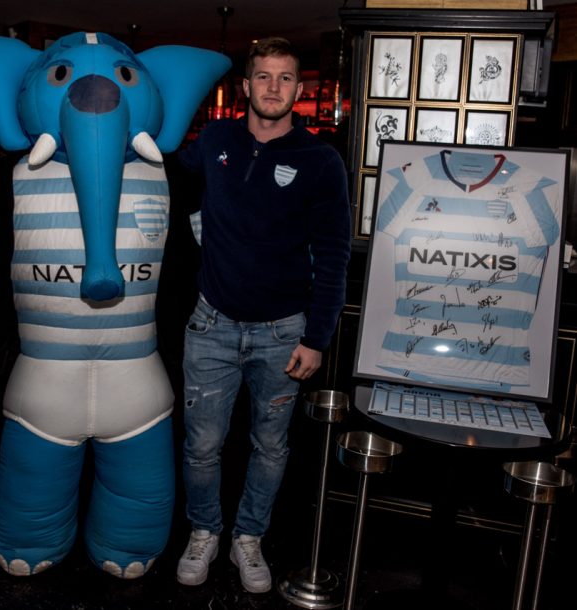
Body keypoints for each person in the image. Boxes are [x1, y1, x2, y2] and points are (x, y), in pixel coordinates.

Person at [174, 37, 351, 594]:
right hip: (212, 324)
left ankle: (247, 538)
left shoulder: (321, 161)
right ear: (246, 86)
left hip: (284, 332)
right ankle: (204, 530)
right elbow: (159, 156)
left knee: (271, 446)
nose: (273, 87)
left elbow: (334, 257)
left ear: (299, 89)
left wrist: (317, 337)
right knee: (202, 445)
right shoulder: (216, 140)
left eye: (285, 78)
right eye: (263, 77)